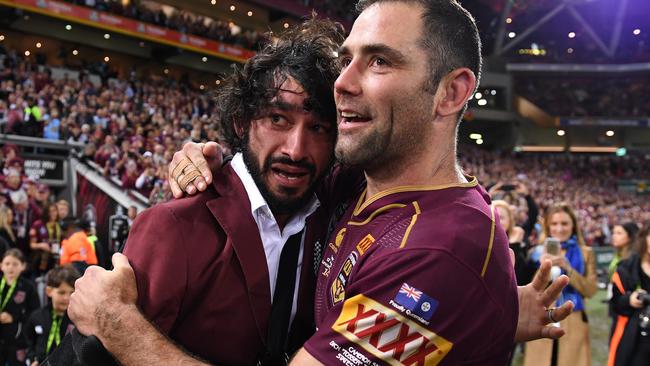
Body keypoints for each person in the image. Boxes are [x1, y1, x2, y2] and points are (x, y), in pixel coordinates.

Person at [67, 1, 573, 365]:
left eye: (378, 60)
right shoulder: (355, 183)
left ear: (451, 92)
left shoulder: (437, 253)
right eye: (348, 58)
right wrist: (219, 155)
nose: (343, 82)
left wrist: (118, 326)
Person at [63, 18, 345, 366]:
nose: (297, 149)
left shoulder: (335, 214)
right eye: (277, 119)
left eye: (318, 127)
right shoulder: (173, 225)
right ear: (242, 122)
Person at [523, 203, 598, 366]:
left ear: (573, 225)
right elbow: (529, 292)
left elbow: (591, 290)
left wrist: (568, 269)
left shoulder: (586, 253)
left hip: (574, 319)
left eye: (564, 223)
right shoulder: (535, 253)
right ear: (548, 227)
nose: (559, 228)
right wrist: (543, 268)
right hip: (540, 319)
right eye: (554, 224)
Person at [608, 221, 650, 366]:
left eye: (619, 233)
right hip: (631, 338)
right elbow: (614, 304)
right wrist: (629, 300)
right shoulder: (626, 268)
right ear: (644, 237)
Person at [25, 265, 80, 366]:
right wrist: (32, 359)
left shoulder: (78, 320)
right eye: (61, 292)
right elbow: (28, 343)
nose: (66, 298)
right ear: (49, 291)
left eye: (72, 292)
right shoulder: (36, 316)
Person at [0, 248, 40, 366]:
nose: (10, 267)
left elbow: (35, 313)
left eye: (15, 264)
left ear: (23, 266)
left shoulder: (28, 287)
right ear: (1, 265)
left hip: (18, 339)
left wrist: (14, 317)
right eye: (7, 264)